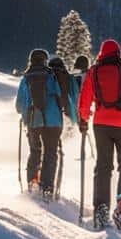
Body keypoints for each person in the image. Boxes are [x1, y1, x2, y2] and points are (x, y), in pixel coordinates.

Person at [78, 40, 121, 229]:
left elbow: (84, 99)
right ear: (117, 53)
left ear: (101, 53)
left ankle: (101, 209)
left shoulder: (94, 71)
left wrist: (84, 117)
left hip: (101, 124)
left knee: (103, 166)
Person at [15, 49, 68, 200]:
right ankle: (47, 188)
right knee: (50, 153)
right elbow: (60, 95)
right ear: (45, 60)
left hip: (33, 120)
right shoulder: (52, 75)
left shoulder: (26, 78)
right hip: (53, 121)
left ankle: (33, 181)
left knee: (35, 151)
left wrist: (25, 112)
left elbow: (19, 105)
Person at [47, 55, 80, 197]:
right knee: (61, 147)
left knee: (47, 149)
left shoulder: (47, 77)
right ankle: (60, 183)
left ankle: (44, 179)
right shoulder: (68, 77)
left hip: (47, 119)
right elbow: (75, 96)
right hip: (66, 115)